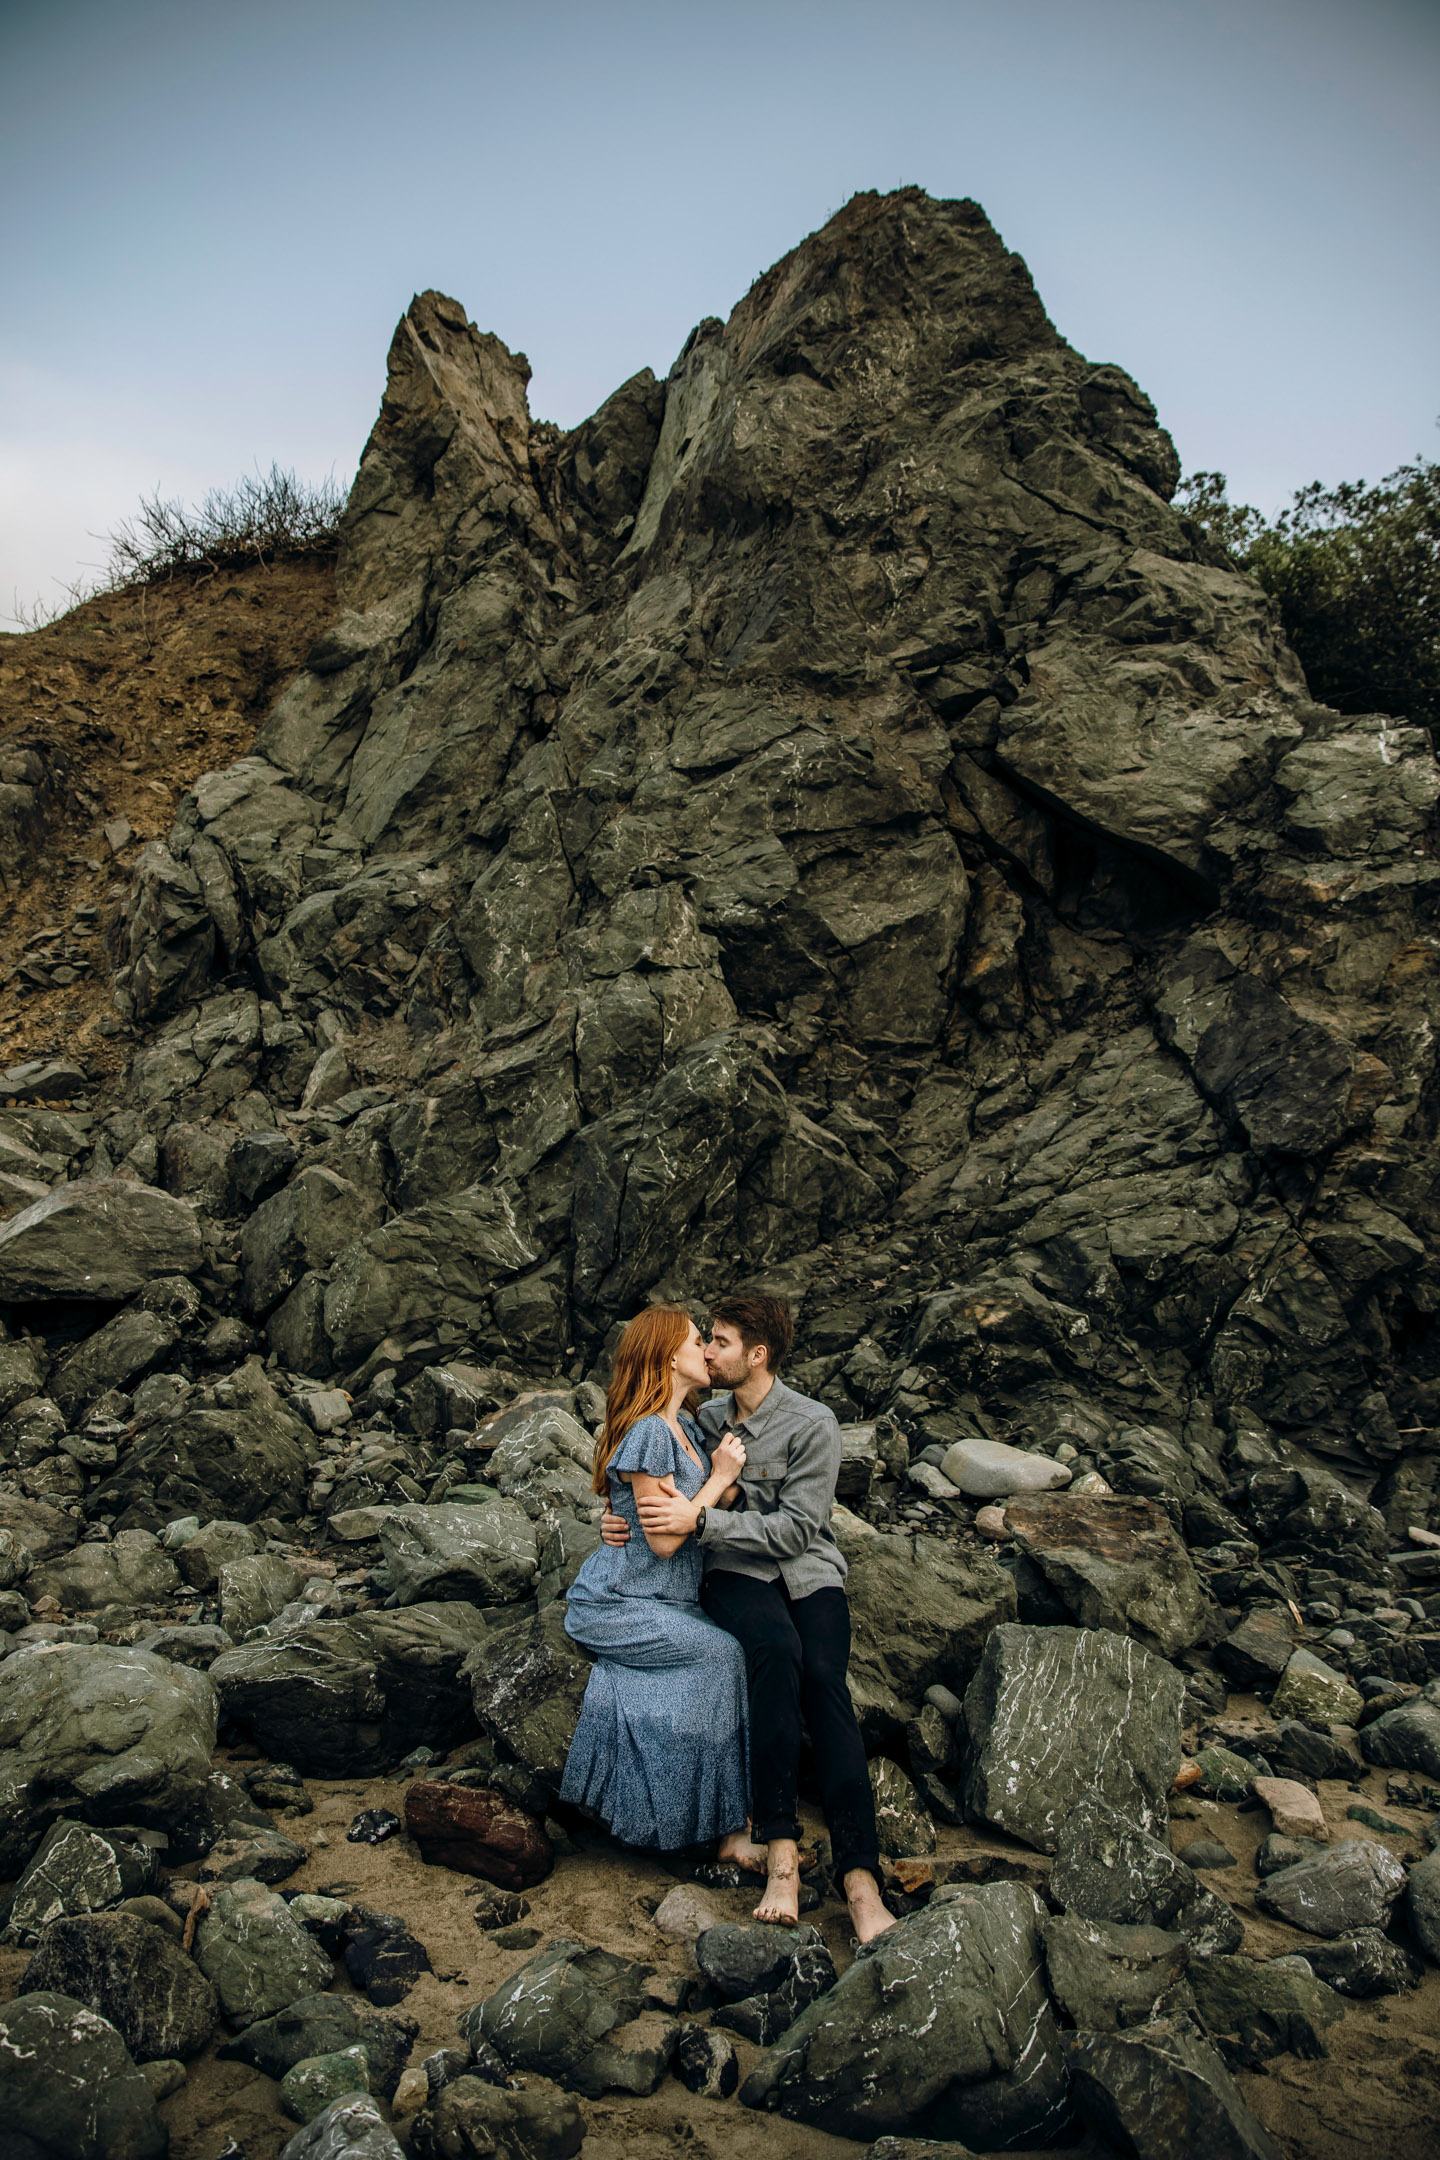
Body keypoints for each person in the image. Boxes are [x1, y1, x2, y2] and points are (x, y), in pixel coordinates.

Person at [603, 1292, 894, 1944]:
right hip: (735, 1574)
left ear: (757, 1355)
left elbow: (796, 1531)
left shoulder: (814, 1423)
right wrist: (619, 1516)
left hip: (807, 1571)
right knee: (773, 1654)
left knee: (823, 1677)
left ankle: (860, 1879)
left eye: (722, 1342)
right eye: (706, 1340)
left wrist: (702, 1518)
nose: (707, 1351)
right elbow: (651, 1470)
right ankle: (782, 1855)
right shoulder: (703, 1416)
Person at [560, 1305, 761, 1859]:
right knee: (722, 1656)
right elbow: (666, 1540)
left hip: (670, 1598)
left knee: (734, 1654)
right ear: (669, 1355)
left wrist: (719, 1487)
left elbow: (662, 1507)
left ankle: (728, 1826)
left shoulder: (689, 1426)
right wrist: (720, 1479)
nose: (707, 1350)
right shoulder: (651, 1431)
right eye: (698, 1341)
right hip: (622, 1598)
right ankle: (726, 1832)